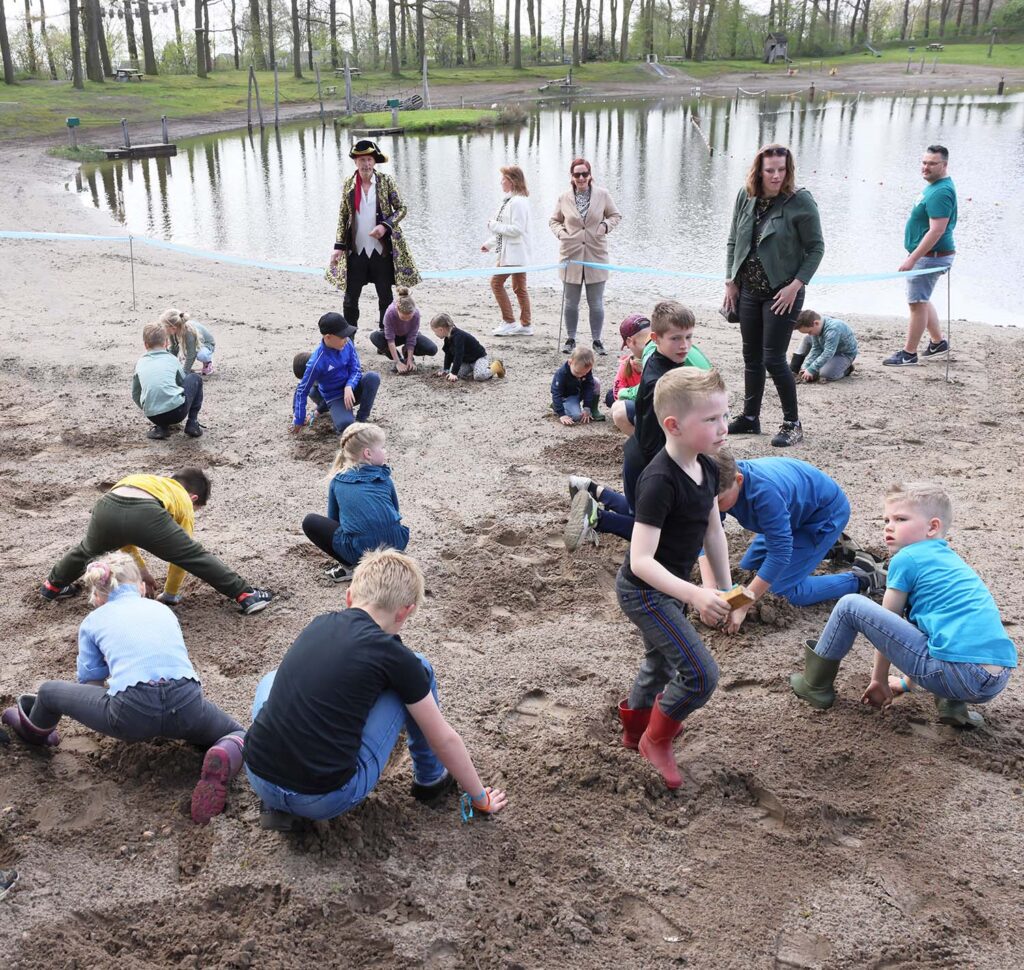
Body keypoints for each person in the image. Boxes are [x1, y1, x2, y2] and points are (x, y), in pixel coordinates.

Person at [242, 549, 509, 829]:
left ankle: (275, 805)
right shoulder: (394, 656)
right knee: (419, 670)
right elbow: (444, 739)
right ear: (406, 611)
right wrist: (480, 797)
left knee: (272, 680)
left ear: (349, 597)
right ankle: (431, 780)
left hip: (259, 776)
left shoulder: (319, 623)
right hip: (324, 797)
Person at [6, 553, 246, 825]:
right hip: (187, 703)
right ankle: (224, 753)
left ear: (97, 596)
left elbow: (91, 684)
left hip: (132, 714)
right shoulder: (162, 610)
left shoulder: (93, 622)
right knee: (237, 732)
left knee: (49, 692)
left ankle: (36, 733)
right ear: (141, 587)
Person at [790, 483, 1017, 730]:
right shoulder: (952, 563)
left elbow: (888, 625)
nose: (889, 526)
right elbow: (929, 630)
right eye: (886, 519)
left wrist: (879, 680)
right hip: (996, 678)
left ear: (932, 527)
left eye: (900, 519)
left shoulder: (906, 559)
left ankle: (815, 686)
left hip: (956, 675)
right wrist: (908, 684)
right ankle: (953, 707)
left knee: (849, 605)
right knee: (945, 629)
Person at [615, 368, 737, 790]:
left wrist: (726, 593)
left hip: (673, 588)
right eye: (711, 420)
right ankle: (656, 739)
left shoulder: (706, 467)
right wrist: (697, 595)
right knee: (701, 675)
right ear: (673, 425)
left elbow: (713, 531)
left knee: (661, 659)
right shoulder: (659, 480)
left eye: (725, 415)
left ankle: (635, 729)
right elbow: (642, 560)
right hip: (644, 592)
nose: (724, 428)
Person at [564, 301, 701, 553]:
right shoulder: (665, 380)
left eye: (689, 337)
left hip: (641, 453)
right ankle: (595, 516)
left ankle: (591, 489)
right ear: (654, 339)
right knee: (655, 532)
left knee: (640, 513)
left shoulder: (659, 359)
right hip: (649, 459)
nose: (684, 345)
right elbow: (655, 435)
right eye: (676, 338)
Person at [39, 468, 273, 615]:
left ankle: (53, 586)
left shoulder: (151, 481)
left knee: (85, 551)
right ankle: (246, 595)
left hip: (107, 504)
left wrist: (143, 572)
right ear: (193, 498)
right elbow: (184, 558)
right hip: (147, 512)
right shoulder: (182, 500)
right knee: (194, 555)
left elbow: (125, 537)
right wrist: (169, 594)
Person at [701, 451, 886, 632]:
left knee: (781, 592)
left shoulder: (764, 492)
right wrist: (708, 591)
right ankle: (826, 546)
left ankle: (863, 577)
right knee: (747, 569)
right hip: (789, 516)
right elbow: (705, 537)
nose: (712, 508)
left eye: (719, 501)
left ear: (739, 480)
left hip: (822, 516)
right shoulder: (715, 481)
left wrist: (743, 604)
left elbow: (780, 554)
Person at [723, 143, 824, 448]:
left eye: (782, 169)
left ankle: (792, 424)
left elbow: (816, 248)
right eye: (770, 170)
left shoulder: (800, 201)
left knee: (773, 359)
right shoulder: (746, 195)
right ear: (759, 170)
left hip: (783, 293)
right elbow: (732, 240)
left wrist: (796, 285)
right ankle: (750, 418)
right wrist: (730, 280)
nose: (777, 175)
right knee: (750, 357)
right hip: (749, 290)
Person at [326, 139, 420, 330]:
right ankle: (349, 336)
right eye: (362, 160)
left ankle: (384, 336)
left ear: (374, 162)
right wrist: (338, 246)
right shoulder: (348, 184)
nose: (366, 164)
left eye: (369, 160)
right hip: (356, 251)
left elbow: (402, 209)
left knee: (385, 296)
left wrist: (385, 226)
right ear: (355, 162)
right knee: (350, 298)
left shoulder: (386, 181)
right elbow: (343, 215)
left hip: (382, 251)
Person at [301, 423, 410, 584]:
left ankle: (350, 567)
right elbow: (395, 512)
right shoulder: (384, 478)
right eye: (382, 448)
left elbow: (335, 521)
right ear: (368, 453)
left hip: (361, 553)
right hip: (396, 545)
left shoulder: (337, 482)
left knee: (310, 521)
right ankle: (388, 561)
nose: (385, 452)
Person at [884, 145, 957, 366]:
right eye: (924, 162)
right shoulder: (935, 186)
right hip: (930, 255)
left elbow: (937, 230)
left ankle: (909, 354)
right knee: (922, 299)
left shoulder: (941, 191)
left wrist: (912, 259)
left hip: (931, 257)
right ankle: (938, 343)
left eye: (932, 163)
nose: (925, 167)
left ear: (944, 165)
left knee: (916, 303)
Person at [549, 158, 622, 356]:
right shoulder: (564, 197)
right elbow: (554, 221)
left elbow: (615, 215)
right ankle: (570, 338)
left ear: (590, 175)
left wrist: (604, 227)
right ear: (571, 177)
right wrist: (562, 234)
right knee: (571, 301)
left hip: (595, 255)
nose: (581, 178)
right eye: (577, 174)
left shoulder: (602, 195)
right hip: (570, 255)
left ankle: (597, 340)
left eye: (584, 174)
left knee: (596, 302)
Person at [608, 313, 714, 436]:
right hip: (710, 409)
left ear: (630, 341)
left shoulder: (653, 351)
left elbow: (652, 387)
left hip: (695, 416)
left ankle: (647, 449)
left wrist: (623, 393)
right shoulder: (679, 345)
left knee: (619, 409)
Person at [292, 312, 381, 435]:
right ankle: (346, 421)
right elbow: (302, 390)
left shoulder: (347, 343)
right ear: (328, 337)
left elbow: (355, 369)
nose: (346, 339)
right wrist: (299, 419)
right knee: (345, 425)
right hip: (335, 397)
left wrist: (349, 385)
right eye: (342, 336)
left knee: (373, 377)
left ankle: (361, 419)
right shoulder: (316, 362)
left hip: (352, 390)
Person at [483, 165, 533, 337]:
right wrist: (489, 244)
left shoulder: (518, 202)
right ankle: (526, 325)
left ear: (512, 181)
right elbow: (504, 232)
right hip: (510, 252)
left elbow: (517, 229)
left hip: (515, 255)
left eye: (504, 179)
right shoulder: (510, 201)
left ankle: (509, 321)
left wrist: (493, 225)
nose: (501, 182)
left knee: (496, 284)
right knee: (519, 288)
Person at [132, 321, 204, 441]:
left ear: (145, 345)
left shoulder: (140, 363)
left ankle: (161, 428)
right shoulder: (171, 359)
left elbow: (135, 394)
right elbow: (182, 381)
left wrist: (149, 408)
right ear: (166, 343)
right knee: (194, 378)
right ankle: (192, 423)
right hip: (177, 412)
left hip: (152, 415)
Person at [368, 287, 438, 371]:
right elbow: (390, 340)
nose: (407, 320)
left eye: (409, 317)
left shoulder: (416, 314)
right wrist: (398, 362)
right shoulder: (390, 313)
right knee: (375, 337)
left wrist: (409, 359)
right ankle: (399, 359)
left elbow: (412, 337)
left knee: (432, 349)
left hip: (408, 335)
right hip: (394, 336)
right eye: (403, 318)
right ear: (397, 309)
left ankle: (406, 353)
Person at [429, 313, 504, 382]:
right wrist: (446, 370)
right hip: (467, 361)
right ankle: (475, 370)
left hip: (479, 358)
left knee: (479, 376)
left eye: (435, 332)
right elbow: (448, 355)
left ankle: (496, 366)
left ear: (441, 330)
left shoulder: (459, 336)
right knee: (457, 374)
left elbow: (459, 355)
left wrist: (453, 373)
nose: (435, 334)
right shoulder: (447, 338)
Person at [790, 309, 857, 382]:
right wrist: (806, 366)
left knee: (825, 374)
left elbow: (828, 352)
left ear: (816, 323)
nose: (810, 334)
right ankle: (794, 368)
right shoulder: (817, 326)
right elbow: (816, 348)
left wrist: (811, 369)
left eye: (809, 332)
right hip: (826, 346)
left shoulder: (833, 329)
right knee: (807, 338)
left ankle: (847, 369)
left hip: (843, 354)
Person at [551, 346, 602, 426]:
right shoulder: (561, 374)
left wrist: (587, 407)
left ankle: (593, 410)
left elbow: (589, 387)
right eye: (577, 372)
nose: (580, 376)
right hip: (568, 396)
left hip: (579, 391)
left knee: (596, 382)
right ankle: (557, 406)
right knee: (576, 416)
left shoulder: (585, 370)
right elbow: (556, 393)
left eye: (584, 373)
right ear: (570, 362)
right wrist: (562, 414)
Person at [161, 308, 216, 376]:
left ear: (173, 328)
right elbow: (174, 347)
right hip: (189, 344)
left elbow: (191, 355)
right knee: (181, 354)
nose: (163, 328)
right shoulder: (173, 331)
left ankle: (208, 364)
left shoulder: (189, 332)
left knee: (201, 355)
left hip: (205, 344)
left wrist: (185, 373)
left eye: (165, 326)